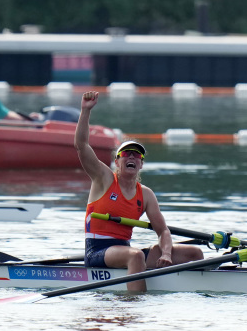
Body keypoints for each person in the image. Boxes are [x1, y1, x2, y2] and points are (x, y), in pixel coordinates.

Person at [76, 90, 203, 292]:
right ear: (117, 161)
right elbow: (82, 146)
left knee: (194, 254)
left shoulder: (145, 194)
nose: (132, 158)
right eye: (126, 154)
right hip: (97, 251)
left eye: (137, 156)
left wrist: (167, 254)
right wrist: (85, 111)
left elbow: (162, 231)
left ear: (141, 164)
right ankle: (136, 305)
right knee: (135, 256)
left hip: (124, 249)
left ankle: (190, 289)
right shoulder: (104, 179)